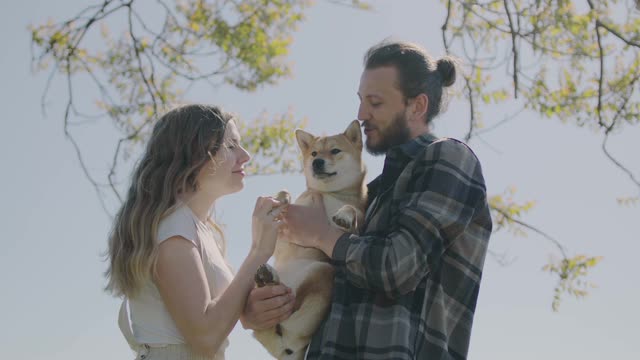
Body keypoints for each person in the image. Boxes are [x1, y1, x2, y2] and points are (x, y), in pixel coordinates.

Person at [247, 40, 493, 359]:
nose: (361, 114)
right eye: (361, 100)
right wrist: (261, 313)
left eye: (374, 102)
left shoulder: (449, 159)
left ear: (417, 106)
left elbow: (399, 267)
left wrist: (321, 234)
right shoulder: (373, 197)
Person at [104, 104, 296, 360]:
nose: (245, 155)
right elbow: (205, 337)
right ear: (194, 156)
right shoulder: (173, 230)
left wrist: (249, 312)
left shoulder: (195, 228)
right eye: (230, 146)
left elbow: (213, 315)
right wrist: (259, 251)